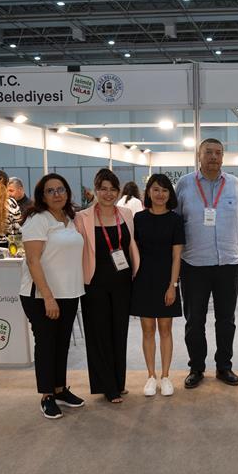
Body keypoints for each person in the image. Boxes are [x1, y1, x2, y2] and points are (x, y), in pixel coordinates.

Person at [176, 138, 238, 389]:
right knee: (194, 320)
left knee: (226, 320)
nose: (213, 157)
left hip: (228, 263)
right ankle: (196, 367)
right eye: (208, 152)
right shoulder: (184, 184)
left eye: (218, 153)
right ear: (199, 155)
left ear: (223, 157)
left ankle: (224, 366)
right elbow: (175, 223)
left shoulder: (234, 184)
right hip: (194, 264)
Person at [19, 174, 85, 419]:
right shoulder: (37, 219)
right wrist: (48, 297)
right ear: (42, 196)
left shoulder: (69, 218)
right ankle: (47, 395)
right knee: (46, 343)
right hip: (41, 295)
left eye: (61, 189)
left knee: (62, 343)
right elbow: (33, 260)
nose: (57, 194)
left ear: (67, 192)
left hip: (69, 292)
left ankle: (59, 389)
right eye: (51, 191)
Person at [75, 169, 140, 403]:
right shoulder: (82, 218)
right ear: (95, 190)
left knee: (119, 333)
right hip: (95, 283)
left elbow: (132, 245)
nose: (108, 193)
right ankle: (108, 386)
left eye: (113, 189)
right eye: (103, 189)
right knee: (99, 334)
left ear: (119, 191)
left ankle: (118, 382)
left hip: (122, 282)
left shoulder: (126, 214)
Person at [131, 174, 185, 397]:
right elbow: (133, 251)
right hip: (143, 280)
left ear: (169, 194)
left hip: (166, 280)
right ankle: (151, 376)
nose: (160, 194)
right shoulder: (138, 218)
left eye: (164, 190)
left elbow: (176, 256)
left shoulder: (175, 220)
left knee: (165, 329)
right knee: (147, 329)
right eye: (155, 189)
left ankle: (165, 376)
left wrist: (173, 285)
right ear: (148, 192)